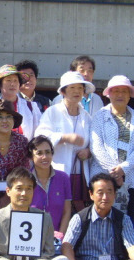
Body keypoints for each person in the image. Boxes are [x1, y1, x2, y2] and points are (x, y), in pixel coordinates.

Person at [62, 173, 134, 260]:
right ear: (91, 194)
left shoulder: (123, 219)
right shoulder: (80, 218)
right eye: (100, 192)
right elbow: (66, 246)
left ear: (115, 194)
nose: (105, 197)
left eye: (109, 192)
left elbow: (132, 246)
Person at [90, 75, 134, 219]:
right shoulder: (99, 117)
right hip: (104, 175)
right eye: (116, 91)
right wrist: (114, 172)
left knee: (130, 217)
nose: (120, 95)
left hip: (132, 175)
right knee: (103, 216)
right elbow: (96, 147)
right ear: (109, 94)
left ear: (129, 95)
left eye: (124, 91)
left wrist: (123, 169)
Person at [35, 71, 92, 210]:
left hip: (81, 172)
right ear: (63, 91)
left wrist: (88, 151)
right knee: (58, 207)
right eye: (72, 88)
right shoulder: (53, 112)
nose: (76, 91)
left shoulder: (86, 116)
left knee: (79, 207)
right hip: (59, 169)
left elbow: (93, 141)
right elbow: (40, 136)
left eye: (80, 88)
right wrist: (64, 137)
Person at [0, 65, 41, 141]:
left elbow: (39, 132)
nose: (12, 84)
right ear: (0, 85)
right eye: (8, 80)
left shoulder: (31, 107)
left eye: (15, 80)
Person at [29, 135, 72, 234]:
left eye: (48, 152)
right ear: (31, 156)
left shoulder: (63, 178)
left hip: (57, 238)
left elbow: (66, 211)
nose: (45, 157)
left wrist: (60, 236)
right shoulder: (26, 180)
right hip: (31, 237)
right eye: (39, 153)